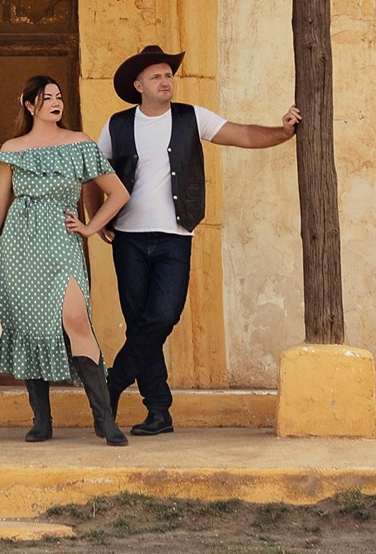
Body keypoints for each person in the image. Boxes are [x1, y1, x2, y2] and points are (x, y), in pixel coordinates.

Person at [98, 44, 300, 435]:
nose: (166, 80)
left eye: (168, 75)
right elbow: (94, 171)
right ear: (138, 85)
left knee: (162, 316)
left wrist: (283, 132)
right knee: (141, 324)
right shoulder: (117, 125)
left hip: (175, 237)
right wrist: (98, 216)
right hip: (128, 239)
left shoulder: (193, 117)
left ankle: (111, 383)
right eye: (157, 76)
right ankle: (158, 412)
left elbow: (241, 134)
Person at [0, 75, 134, 445]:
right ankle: (41, 419)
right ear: (30, 106)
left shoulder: (79, 144)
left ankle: (105, 420)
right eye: (47, 98)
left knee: (76, 319)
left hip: (62, 245)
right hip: (19, 248)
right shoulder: (13, 148)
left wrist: (90, 229)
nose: (57, 103)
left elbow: (118, 193)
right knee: (28, 325)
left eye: (59, 97)